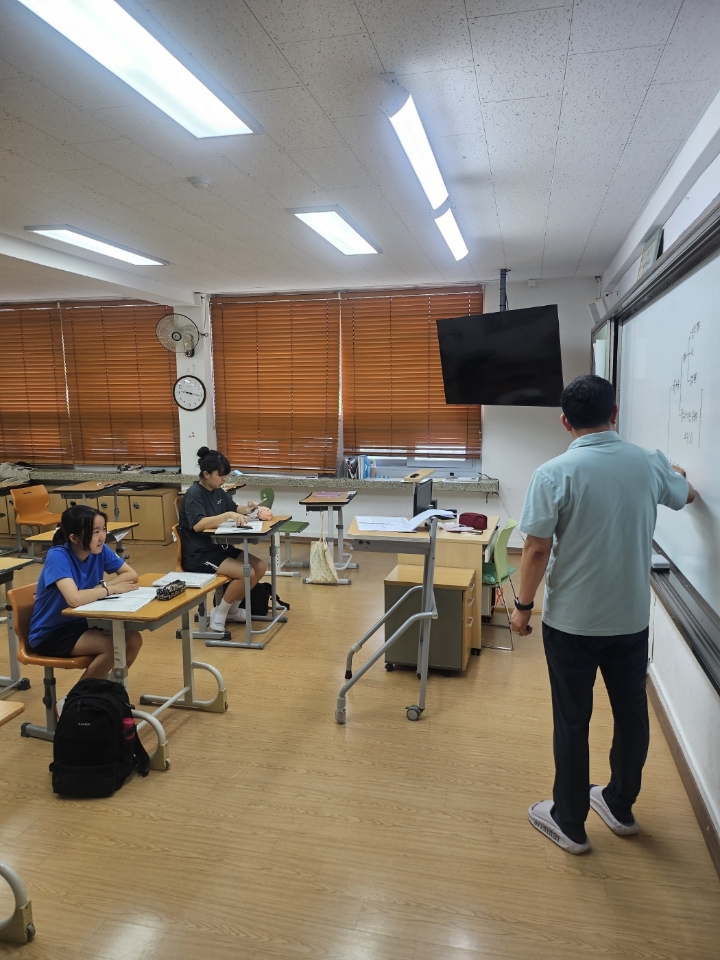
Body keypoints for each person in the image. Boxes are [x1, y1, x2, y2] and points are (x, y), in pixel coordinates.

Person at [511, 375, 695, 855]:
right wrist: (675, 475)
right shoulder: (649, 463)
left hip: (571, 623)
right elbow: (687, 495)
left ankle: (570, 823)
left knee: (572, 720)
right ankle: (620, 805)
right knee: (631, 712)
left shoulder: (552, 474)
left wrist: (523, 608)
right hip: (630, 619)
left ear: (564, 422)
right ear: (614, 414)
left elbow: (535, 550)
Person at [28, 506, 143, 687]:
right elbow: (74, 599)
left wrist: (102, 587)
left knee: (134, 639)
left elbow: (131, 574)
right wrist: (109, 589)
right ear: (74, 538)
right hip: (51, 633)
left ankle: (106, 690)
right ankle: (77, 699)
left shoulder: (99, 550)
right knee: (113, 646)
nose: (102, 537)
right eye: (95, 532)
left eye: (103, 529)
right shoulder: (58, 556)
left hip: (82, 623)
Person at [179, 446, 267, 633]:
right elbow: (198, 525)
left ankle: (231, 610)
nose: (224, 479)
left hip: (219, 548)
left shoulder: (217, 490)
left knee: (259, 567)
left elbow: (233, 508)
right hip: (199, 555)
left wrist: (249, 509)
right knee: (246, 573)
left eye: (225, 475)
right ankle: (219, 613)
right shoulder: (194, 494)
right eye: (220, 475)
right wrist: (227, 515)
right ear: (206, 474)